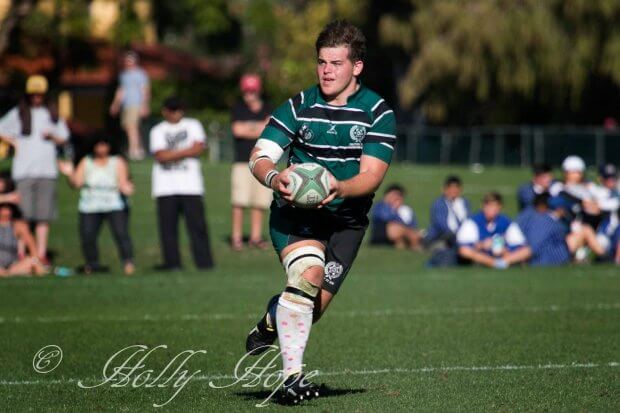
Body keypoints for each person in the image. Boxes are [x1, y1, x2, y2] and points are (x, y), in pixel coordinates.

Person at [244, 20, 396, 403]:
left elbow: (372, 176)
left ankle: (271, 318)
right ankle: (291, 380)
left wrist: (339, 187)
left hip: (347, 221)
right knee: (308, 276)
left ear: (356, 66)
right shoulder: (298, 105)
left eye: (336, 63)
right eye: (321, 62)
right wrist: (274, 177)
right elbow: (260, 154)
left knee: (309, 310)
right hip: (297, 217)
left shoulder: (378, 113)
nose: (326, 71)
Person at [0, 75, 70, 266]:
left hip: (47, 171)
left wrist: (53, 136)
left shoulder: (52, 114)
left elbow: (64, 137)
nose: (37, 98)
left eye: (40, 94)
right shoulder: (18, 114)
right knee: (23, 215)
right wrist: (12, 141)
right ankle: (22, 253)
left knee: (43, 215)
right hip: (23, 171)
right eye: (34, 94)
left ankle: (40, 253)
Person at [149, 96, 214, 271]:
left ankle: (205, 263)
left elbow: (199, 147)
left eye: (179, 109)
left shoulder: (193, 124)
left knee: (198, 227)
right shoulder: (157, 130)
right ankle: (172, 263)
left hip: (191, 186)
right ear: (165, 111)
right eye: (173, 110)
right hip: (165, 187)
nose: (177, 113)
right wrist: (187, 151)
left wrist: (172, 153)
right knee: (168, 229)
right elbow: (160, 156)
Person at [60, 134, 135, 275]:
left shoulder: (117, 161)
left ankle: (128, 262)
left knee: (121, 234)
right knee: (88, 235)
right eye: (99, 145)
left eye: (104, 144)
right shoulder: (86, 162)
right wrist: (70, 173)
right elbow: (76, 183)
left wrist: (127, 188)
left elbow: (124, 182)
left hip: (114, 204)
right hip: (90, 205)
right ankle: (92, 264)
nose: (102, 148)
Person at [230, 74, 273, 251]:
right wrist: (259, 127)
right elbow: (237, 131)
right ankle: (236, 237)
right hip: (241, 162)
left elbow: (268, 130)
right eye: (246, 91)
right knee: (239, 202)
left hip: (264, 161)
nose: (249, 95)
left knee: (259, 203)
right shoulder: (238, 109)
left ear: (258, 91)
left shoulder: (268, 108)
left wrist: (250, 128)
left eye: (252, 91)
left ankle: (255, 237)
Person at [457, 192, 531, 268]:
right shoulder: (472, 222)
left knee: (526, 251)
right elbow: (464, 246)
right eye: (488, 206)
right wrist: (482, 245)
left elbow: (519, 243)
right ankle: (493, 263)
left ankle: (502, 262)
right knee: (465, 251)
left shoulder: (506, 222)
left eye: (494, 206)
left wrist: (504, 249)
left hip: (502, 255)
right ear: (483, 206)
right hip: (481, 255)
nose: (491, 210)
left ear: (500, 207)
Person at [109, 51, 150, 161]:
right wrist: (115, 104)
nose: (128, 62)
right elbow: (121, 91)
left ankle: (134, 151)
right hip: (126, 105)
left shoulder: (140, 73)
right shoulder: (123, 75)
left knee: (132, 127)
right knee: (129, 127)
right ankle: (138, 150)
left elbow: (144, 90)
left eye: (131, 60)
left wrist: (144, 105)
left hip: (135, 103)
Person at [424, 175, 471, 266]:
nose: (453, 191)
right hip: (440, 238)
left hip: (459, 237)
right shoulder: (439, 204)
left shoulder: (464, 203)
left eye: (456, 188)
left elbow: (468, 221)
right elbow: (443, 226)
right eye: (451, 188)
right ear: (445, 189)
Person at [516, 193, 571, 266]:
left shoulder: (547, 219)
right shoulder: (547, 221)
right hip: (548, 261)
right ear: (560, 209)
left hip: (551, 261)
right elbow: (533, 247)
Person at [0, 203, 46, 277]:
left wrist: (36, 261)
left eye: (8, 208)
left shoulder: (17, 225)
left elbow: (32, 245)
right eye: (3, 208)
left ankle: (7, 273)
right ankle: (8, 273)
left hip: (13, 265)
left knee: (32, 261)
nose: (6, 211)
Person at [370, 184, 421, 250]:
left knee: (413, 235)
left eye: (399, 196)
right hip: (382, 234)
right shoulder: (380, 205)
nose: (396, 198)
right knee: (395, 229)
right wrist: (394, 210)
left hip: (404, 234)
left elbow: (413, 224)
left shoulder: (405, 210)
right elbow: (385, 217)